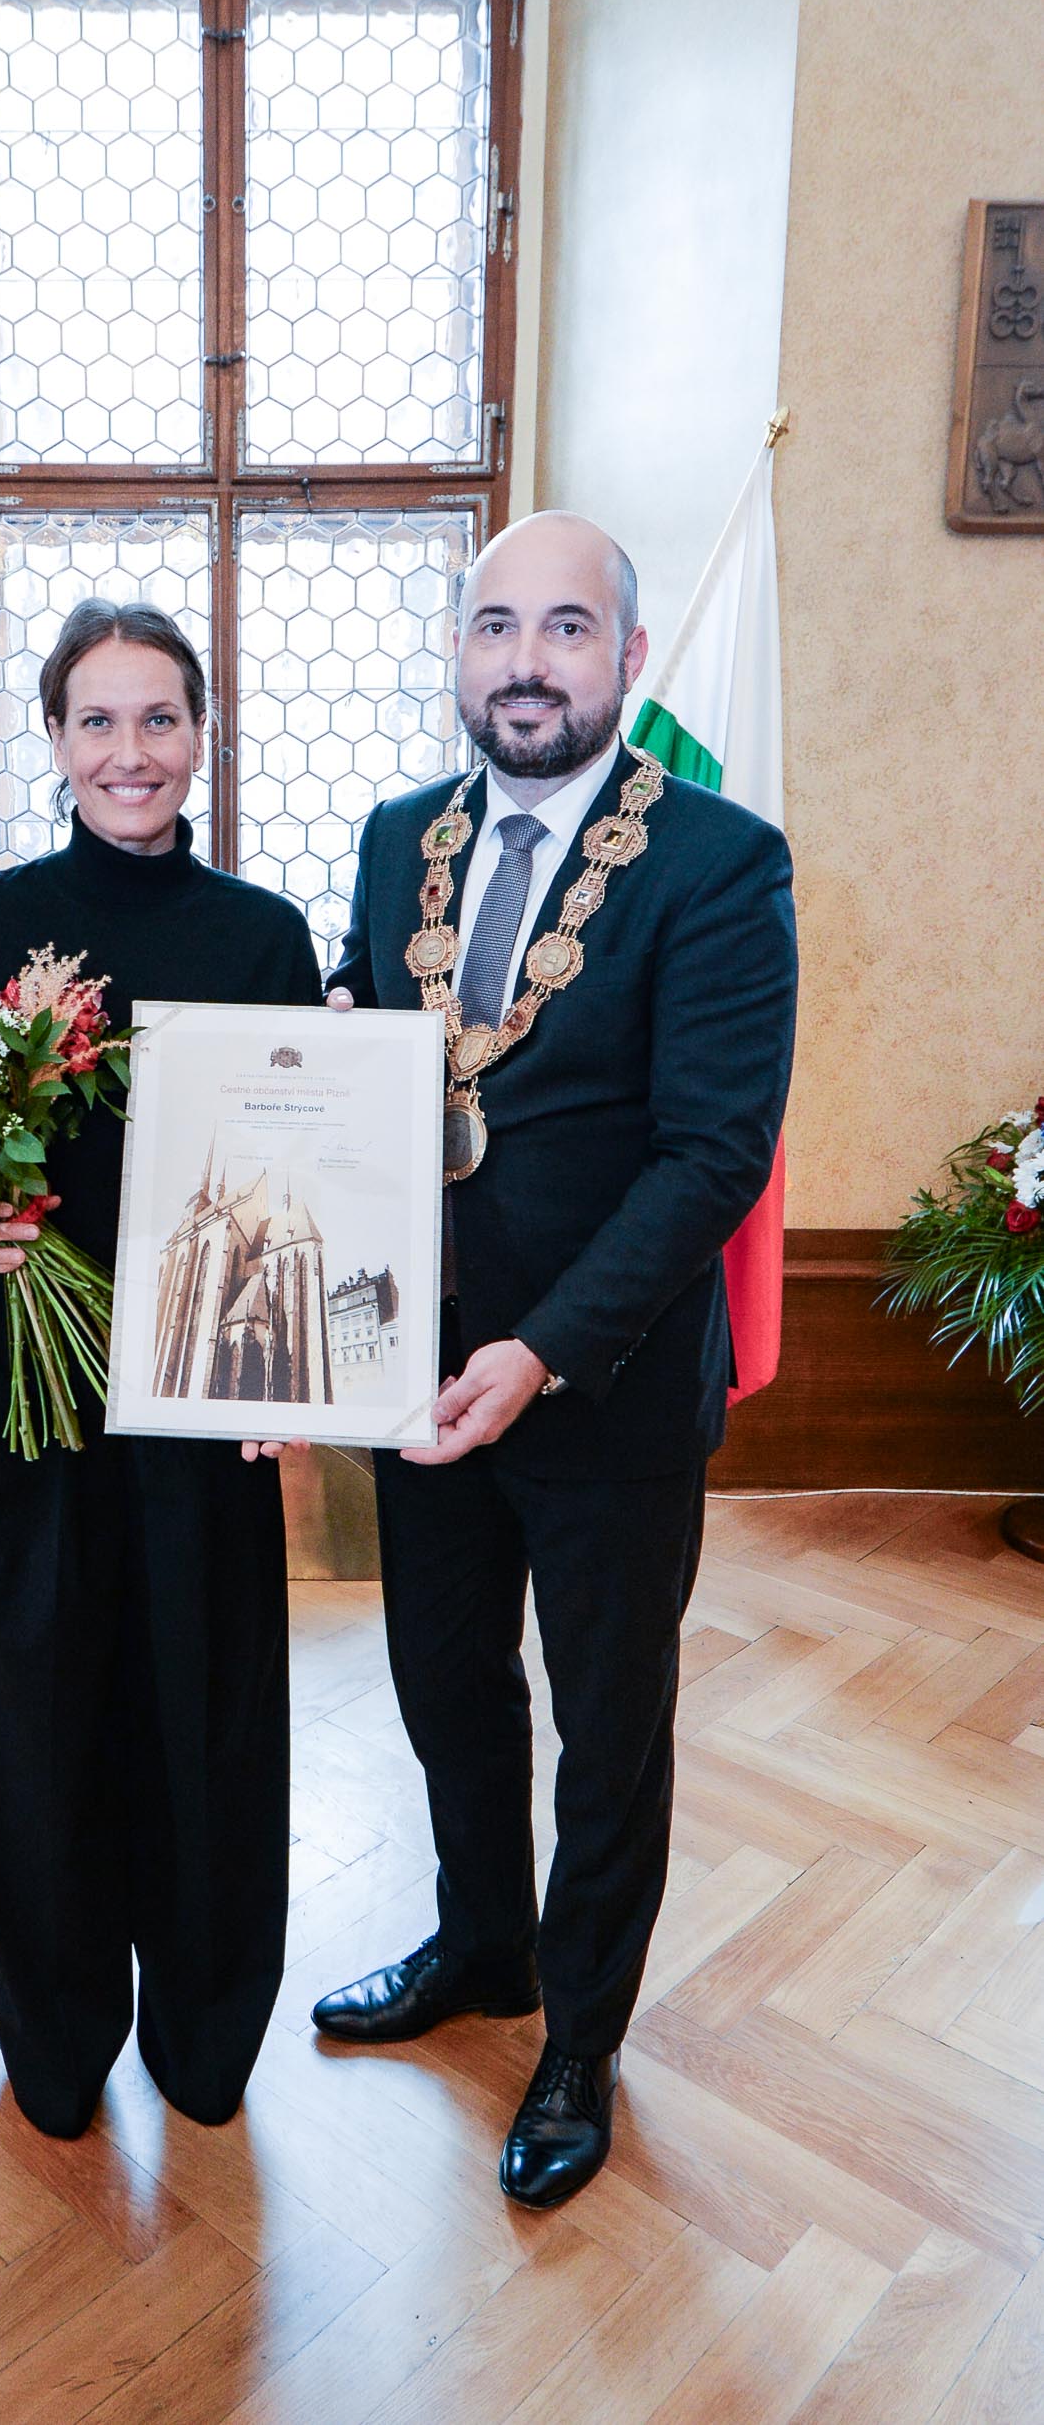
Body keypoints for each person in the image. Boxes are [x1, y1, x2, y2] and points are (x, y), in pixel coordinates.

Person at [303, 512, 797, 2207]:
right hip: (405, 1372)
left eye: (567, 628)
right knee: (446, 1692)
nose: (526, 662)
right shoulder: (390, 837)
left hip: (611, 1383)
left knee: (609, 1723)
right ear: (460, 652)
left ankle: (578, 2033)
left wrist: (544, 1349)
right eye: (496, 625)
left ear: (628, 660)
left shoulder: (724, 863)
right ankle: (481, 1952)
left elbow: (712, 1155)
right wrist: (283, 1345)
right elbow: (355, 1073)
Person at [0, 599, 322, 2139]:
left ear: (201, 737)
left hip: (209, 1394)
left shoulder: (264, 935)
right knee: (34, 1706)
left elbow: (306, 1184)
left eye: (160, 719)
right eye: (99, 720)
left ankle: (207, 2032)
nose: (130, 752)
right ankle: (59, 2037)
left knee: (204, 1710)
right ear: (55, 738)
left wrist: (290, 1385)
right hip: (24, 1381)